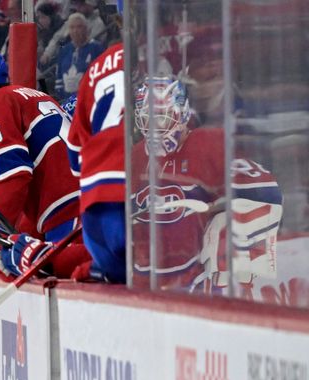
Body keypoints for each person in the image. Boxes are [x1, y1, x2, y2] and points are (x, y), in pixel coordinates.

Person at [130, 75, 283, 292]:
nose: (154, 129)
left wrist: (222, 220)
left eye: (162, 119)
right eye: (147, 120)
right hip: (148, 284)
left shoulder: (208, 144)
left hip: (201, 281)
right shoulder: (136, 157)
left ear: (182, 114)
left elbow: (267, 193)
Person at [0, 49, 90, 279]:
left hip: (66, 213)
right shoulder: (35, 95)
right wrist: (17, 237)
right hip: (87, 202)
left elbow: (13, 175)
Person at [65, 38, 126, 282]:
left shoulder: (95, 68)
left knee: (115, 276)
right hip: (143, 191)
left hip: (95, 198)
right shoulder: (163, 57)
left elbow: (75, 155)